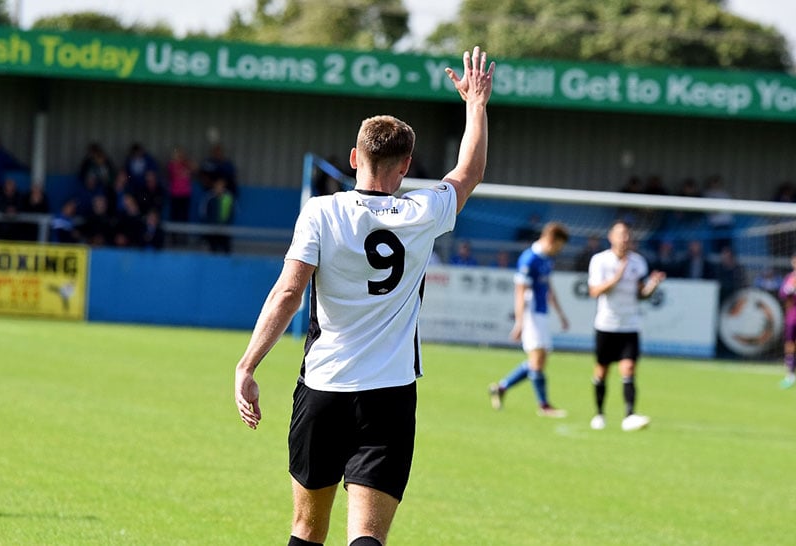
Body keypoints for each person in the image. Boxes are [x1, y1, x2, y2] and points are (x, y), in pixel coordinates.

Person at [233, 46, 494, 546]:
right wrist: (475, 104)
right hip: (390, 393)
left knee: (307, 530)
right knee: (368, 536)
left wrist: (247, 366)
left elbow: (290, 291)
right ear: (406, 165)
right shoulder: (423, 212)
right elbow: (469, 172)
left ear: (355, 157)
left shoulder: (322, 212)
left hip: (325, 385)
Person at [587, 219, 665, 432]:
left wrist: (652, 285)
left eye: (628, 235)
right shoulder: (599, 260)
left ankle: (629, 415)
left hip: (630, 324)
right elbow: (594, 291)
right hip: (606, 324)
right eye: (621, 234)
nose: (625, 238)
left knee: (629, 368)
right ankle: (599, 413)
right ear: (611, 237)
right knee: (602, 370)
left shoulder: (638, 262)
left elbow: (642, 295)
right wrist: (617, 277)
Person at [489, 222, 571, 417]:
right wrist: (520, 321)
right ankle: (543, 406)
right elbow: (520, 292)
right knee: (536, 360)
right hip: (531, 314)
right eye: (559, 245)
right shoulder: (529, 259)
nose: (559, 250)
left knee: (539, 361)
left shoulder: (546, 259)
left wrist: (560, 314)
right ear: (551, 240)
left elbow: (548, 288)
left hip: (541, 313)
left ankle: (501, 387)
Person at [779, 254, 796, 389]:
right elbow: (782, 294)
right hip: (792, 316)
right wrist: (789, 290)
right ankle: (790, 374)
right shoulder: (790, 278)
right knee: (790, 343)